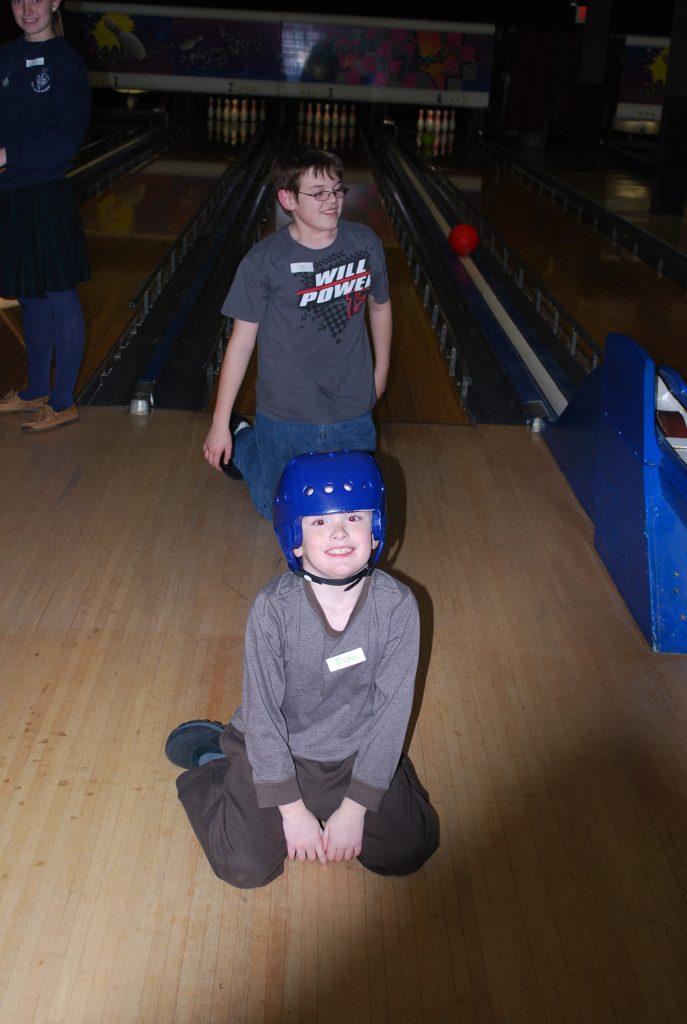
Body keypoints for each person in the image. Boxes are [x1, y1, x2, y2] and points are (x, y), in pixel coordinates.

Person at [165, 450, 439, 888]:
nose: (338, 532)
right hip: (275, 750)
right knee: (245, 867)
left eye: (353, 518)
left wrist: (355, 807)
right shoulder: (273, 610)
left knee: (409, 849)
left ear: (376, 530)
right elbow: (265, 714)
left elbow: (391, 711)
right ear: (294, 537)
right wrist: (291, 811)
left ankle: (386, 773)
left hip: (352, 753)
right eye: (317, 522)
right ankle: (215, 761)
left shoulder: (399, 606)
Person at [202, 143, 392, 519]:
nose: (332, 201)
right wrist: (220, 423)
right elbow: (240, 344)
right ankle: (244, 438)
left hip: (352, 405)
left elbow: (380, 305)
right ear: (287, 198)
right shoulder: (264, 261)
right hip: (286, 412)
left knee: (356, 506)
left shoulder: (365, 243)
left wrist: (380, 370)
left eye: (337, 190)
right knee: (280, 510)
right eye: (318, 193)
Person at [0, 0, 91, 433]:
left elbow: (66, 139)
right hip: (9, 194)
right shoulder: (5, 56)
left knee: (58, 296)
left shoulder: (67, 63)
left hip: (46, 194)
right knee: (31, 294)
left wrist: (7, 155)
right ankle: (37, 387)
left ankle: (63, 400)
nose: (27, 7)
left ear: (55, 2)